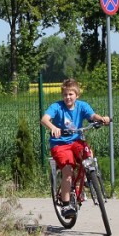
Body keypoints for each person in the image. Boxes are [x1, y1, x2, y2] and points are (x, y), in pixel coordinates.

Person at [41, 78, 111, 217]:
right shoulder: (57, 107)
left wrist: (102, 119)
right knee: (67, 170)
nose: (67, 97)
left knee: (88, 153)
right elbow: (44, 119)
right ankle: (66, 205)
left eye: (70, 94)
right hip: (60, 144)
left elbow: (92, 116)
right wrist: (53, 127)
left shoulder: (82, 106)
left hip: (76, 141)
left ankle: (89, 177)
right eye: (65, 94)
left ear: (77, 95)